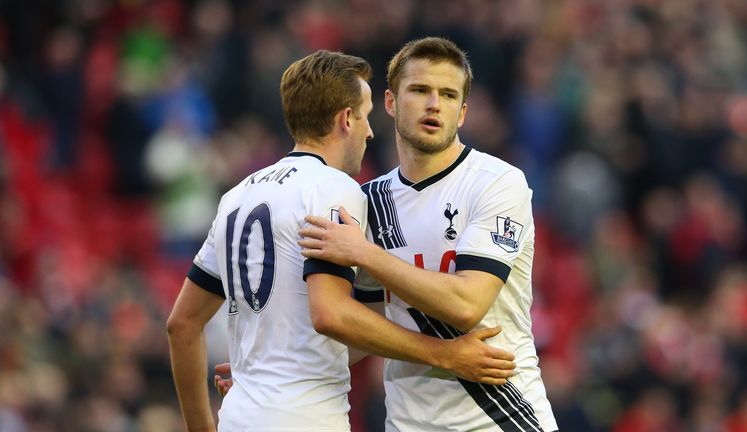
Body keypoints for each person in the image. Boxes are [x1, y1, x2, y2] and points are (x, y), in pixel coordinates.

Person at [166, 49, 518, 432]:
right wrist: (446, 355)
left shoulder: (235, 197)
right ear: (346, 119)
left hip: (238, 416)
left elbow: (181, 324)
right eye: (365, 116)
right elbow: (331, 314)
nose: (369, 132)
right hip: (305, 419)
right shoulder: (335, 189)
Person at [299, 37, 559, 431]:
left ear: (463, 112)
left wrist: (364, 253)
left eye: (448, 95)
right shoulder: (367, 201)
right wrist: (275, 371)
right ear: (389, 102)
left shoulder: (498, 183)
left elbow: (467, 305)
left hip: (501, 417)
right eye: (420, 90)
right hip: (409, 422)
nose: (434, 104)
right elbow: (365, 325)